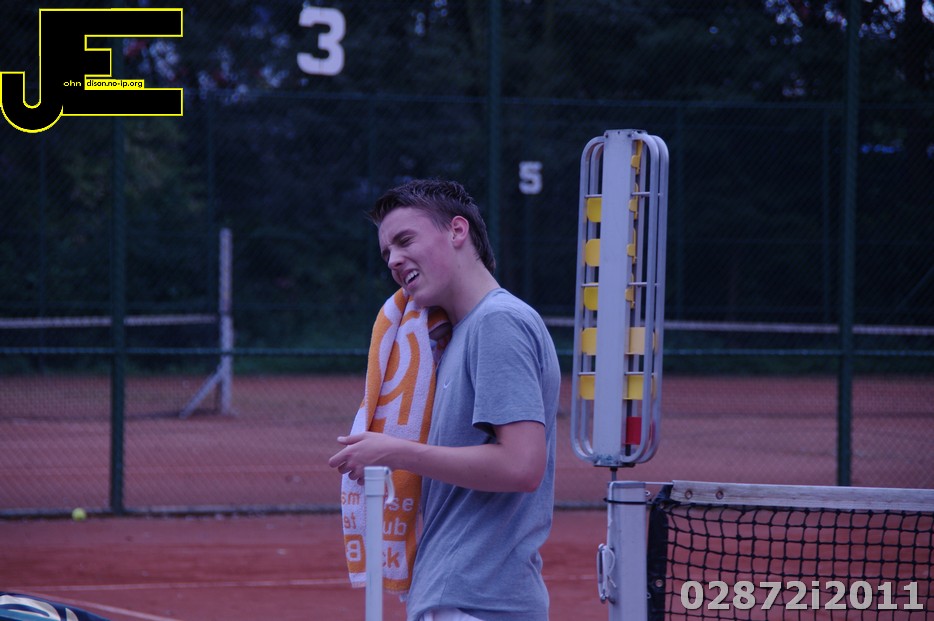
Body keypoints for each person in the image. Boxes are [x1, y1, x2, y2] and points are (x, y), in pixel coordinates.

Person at [328, 179, 561, 621]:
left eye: (405, 240)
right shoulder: (454, 337)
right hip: (462, 596)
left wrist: (394, 452)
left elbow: (521, 465)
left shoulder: (498, 323)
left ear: (457, 231)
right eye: (387, 252)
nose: (394, 260)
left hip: (477, 603)